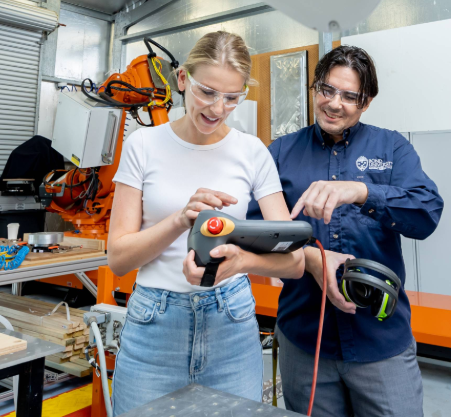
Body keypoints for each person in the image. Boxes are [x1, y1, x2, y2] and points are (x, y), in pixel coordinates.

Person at [107, 31, 305, 415]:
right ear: (183, 79)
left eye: (232, 97)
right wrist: (181, 219)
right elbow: (118, 259)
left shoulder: (252, 152)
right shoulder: (143, 146)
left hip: (230, 322)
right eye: (207, 92)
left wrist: (242, 262)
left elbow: (294, 262)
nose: (218, 108)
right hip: (154, 325)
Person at [263, 45, 443, 417]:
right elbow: (255, 233)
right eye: (327, 90)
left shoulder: (391, 148)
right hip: (305, 340)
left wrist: (362, 192)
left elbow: (427, 213)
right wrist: (311, 259)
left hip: (380, 341)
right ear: (315, 88)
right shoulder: (279, 153)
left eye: (349, 96)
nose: (334, 103)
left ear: (367, 102)